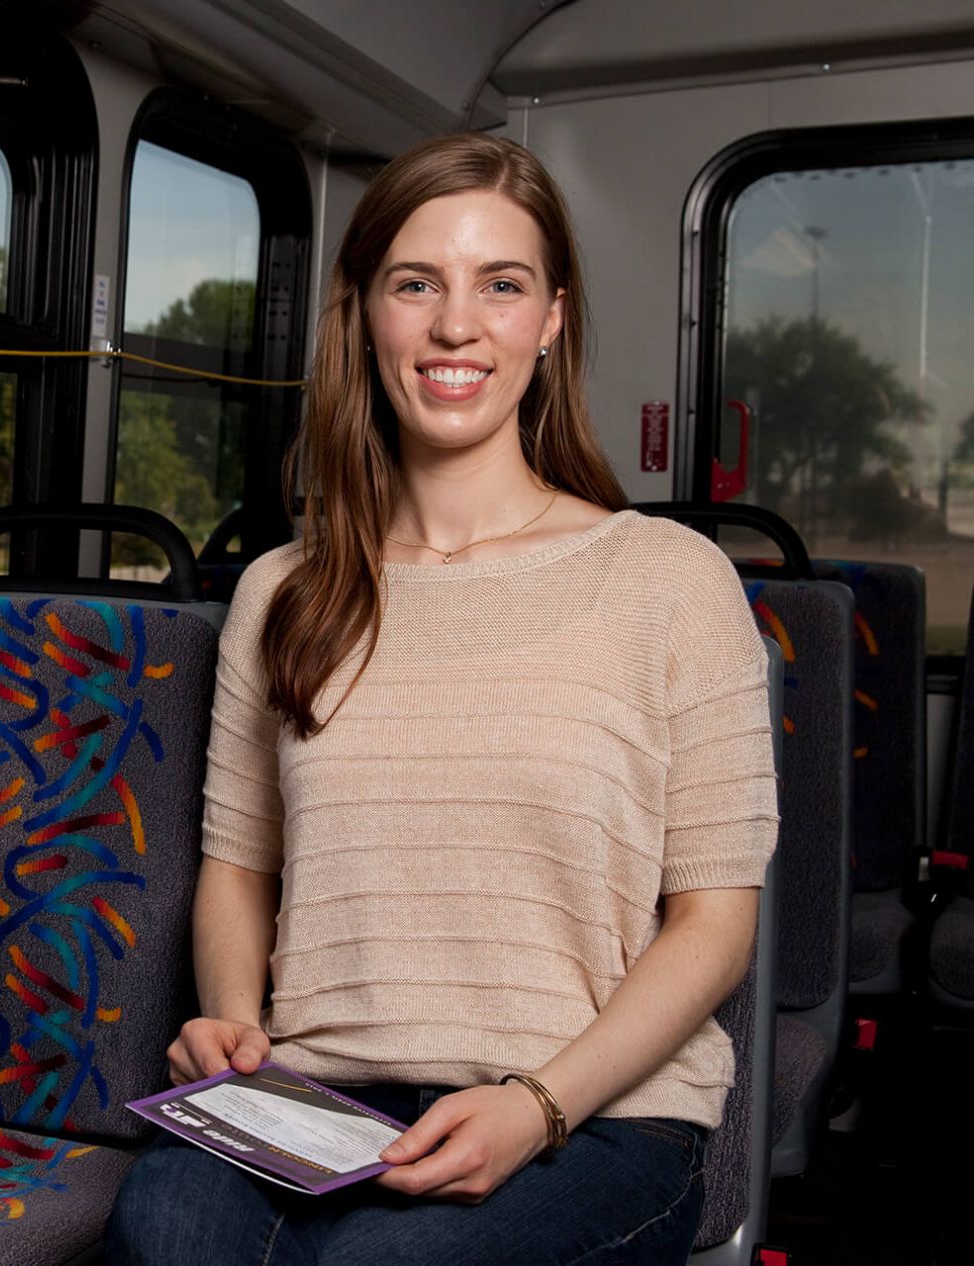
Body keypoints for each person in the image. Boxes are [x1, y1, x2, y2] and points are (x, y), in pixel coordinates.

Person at [106, 132, 778, 1265]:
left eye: (499, 286)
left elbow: (715, 923)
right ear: (364, 311)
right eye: (415, 283)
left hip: (590, 1115)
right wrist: (232, 1024)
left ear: (550, 319)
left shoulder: (669, 579)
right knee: (164, 1231)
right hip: (315, 1100)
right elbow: (238, 868)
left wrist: (539, 1103)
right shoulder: (283, 589)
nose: (455, 325)